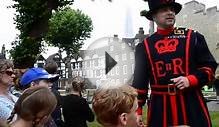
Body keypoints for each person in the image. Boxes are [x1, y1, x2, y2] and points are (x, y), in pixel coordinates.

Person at [132, 0, 218, 127]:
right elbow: (140, 83)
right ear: (154, 16)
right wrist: (138, 111)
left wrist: (191, 79)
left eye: (172, 9)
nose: (170, 13)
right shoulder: (144, 46)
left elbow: (209, 67)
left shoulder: (193, 37)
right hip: (159, 107)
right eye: (164, 10)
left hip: (192, 102)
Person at [44, 61, 64, 127]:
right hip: (54, 110)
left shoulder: (44, 79)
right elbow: (55, 93)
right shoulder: (54, 80)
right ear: (56, 70)